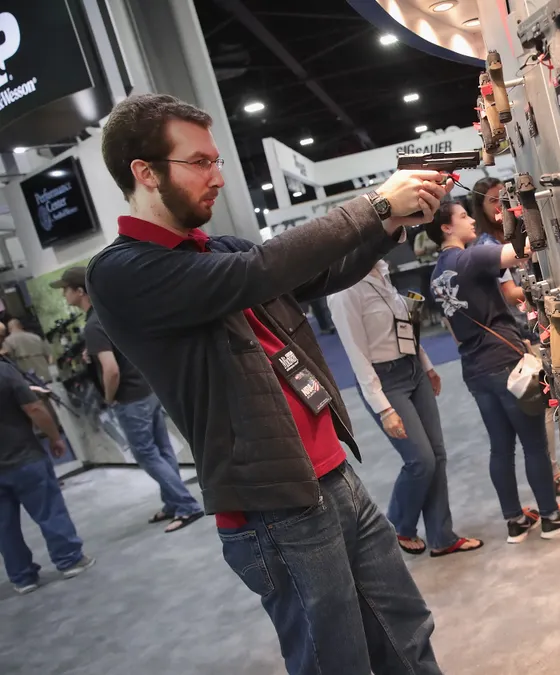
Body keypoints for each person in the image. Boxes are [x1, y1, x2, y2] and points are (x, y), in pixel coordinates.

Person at [85, 93, 447, 674]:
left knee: (406, 630)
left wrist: (394, 224)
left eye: (216, 160)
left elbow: (322, 270)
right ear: (145, 172)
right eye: (199, 162)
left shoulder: (215, 251)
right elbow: (259, 271)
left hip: (333, 475)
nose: (218, 177)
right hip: (272, 508)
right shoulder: (122, 271)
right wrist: (374, 202)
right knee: (335, 662)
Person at [425, 200, 560, 544]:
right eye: (463, 216)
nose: (471, 220)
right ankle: (550, 515)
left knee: (500, 448)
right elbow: (524, 251)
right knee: (533, 444)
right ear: (446, 227)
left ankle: (515, 521)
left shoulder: (437, 274)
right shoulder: (469, 258)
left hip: (474, 367)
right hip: (504, 361)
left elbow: (453, 328)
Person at [329, 260, 482, 557]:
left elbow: (405, 327)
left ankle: (442, 536)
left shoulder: (382, 270)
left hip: (413, 370)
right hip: (385, 381)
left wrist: (426, 365)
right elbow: (356, 354)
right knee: (420, 460)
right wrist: (383, 408)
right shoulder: (344, 289)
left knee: (437, 455)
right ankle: (399, 524)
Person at [53, 267, 205, 533]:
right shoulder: (109, 315)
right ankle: (172, 502)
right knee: (161, 449)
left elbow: (111, 370)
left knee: (146, 454)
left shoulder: (92, 326)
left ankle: (186, 505)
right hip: (147, 389)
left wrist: (109, 399)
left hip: (129, 398)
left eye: (65, 289)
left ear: (79, 291)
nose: (64, 295)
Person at [469, 180, 560, 497]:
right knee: (542, 405)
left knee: (549, 403)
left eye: (503, 198)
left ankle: (551, 466)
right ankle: (551, 476)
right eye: (492, 201)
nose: (499, 205)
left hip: (536, 325)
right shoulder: (488, 246)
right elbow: (510, 295)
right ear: (480, 209)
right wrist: (552, 290)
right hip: (522, 335)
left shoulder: (507, 235)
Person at [0, 360, 94, 593]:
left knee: (4, 526)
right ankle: (70, 560)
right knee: (49, 510)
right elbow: (33, 408)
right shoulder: (4, 370)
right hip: (23, 456)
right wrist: (54, 437)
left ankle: (22, 577)